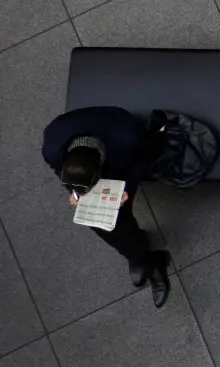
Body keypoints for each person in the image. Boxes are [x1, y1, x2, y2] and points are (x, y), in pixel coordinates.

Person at [42, 106, 171, 307]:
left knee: (117, 214)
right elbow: (58, 169)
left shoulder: (127, 138)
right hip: (102, 158)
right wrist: (76, 194)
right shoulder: (52, 146)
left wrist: (125, 189)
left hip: (125, 159)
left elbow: (144, 158)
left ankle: (145, 259)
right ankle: (142, 257)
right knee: (99, 221)